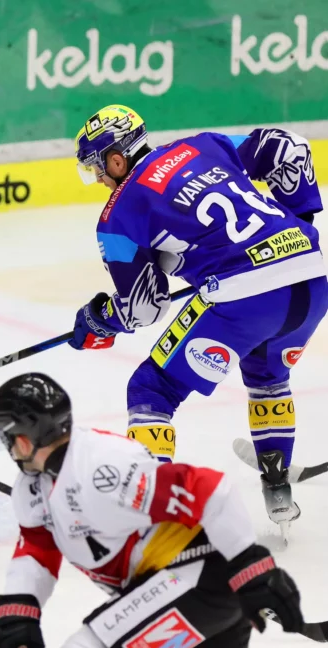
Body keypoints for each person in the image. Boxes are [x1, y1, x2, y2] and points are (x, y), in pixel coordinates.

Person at [68, 104, 327, 531]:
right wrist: (298, 219)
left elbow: (144, 307)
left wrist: (99, 319)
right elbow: (289, 147)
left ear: (116, 159)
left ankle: (152, 519)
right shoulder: (203, 145)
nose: (97, 178)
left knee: (152, 388)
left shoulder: (117, 217)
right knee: (267, 375)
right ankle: (278, 490)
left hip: (242, 298)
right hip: (313, 277)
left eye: (97, 167)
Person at [0, 372, 306, 648]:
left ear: (25, 441)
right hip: (182, 592)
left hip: (200, 582)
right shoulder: (33, 488)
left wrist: (250, 567)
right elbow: (38, 546)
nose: (9, 449)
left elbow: (210, 490)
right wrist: (21, 604)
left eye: (7, 438)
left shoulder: (102, 467)